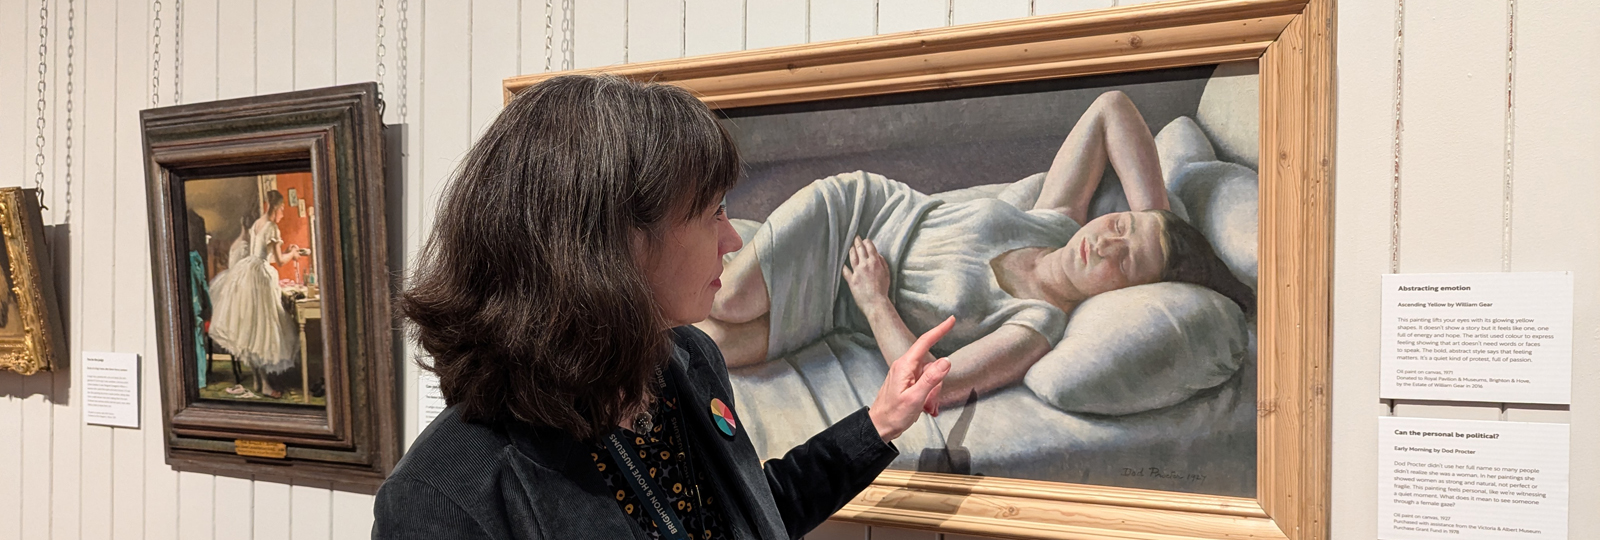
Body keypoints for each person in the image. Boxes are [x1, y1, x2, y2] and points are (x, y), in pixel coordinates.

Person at [373, 74, 953, 540]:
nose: (732, 240)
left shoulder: (683, 362)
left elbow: (746, 512)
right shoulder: (445, 497)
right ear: (616, 244)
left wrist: (878, 423)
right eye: (713, 213)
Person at [695, 90, 1255, 408]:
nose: (1105, 240)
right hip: (856, 216)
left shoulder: (1036, 324)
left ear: (1126, 293)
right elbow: (1111, 108)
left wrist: (874, 303)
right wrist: (1156, 216)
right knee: (727, 301)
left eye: (1126, 258)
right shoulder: (1055, 218)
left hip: (846, 304)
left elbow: (925, 387)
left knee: (704, 345)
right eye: (1119, 225)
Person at [207, 189, 303, 399]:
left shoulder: (257, 224)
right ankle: (266, 385)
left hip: (248, 271)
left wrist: (286, 250)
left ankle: (259, 382)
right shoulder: (272, 227)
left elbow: (260, 251)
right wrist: (293, 253)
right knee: (261, 331)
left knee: (252, 330)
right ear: (276, 207)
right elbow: (278, 260)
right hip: (260, 276)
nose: (283, 214)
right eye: (283, 210)